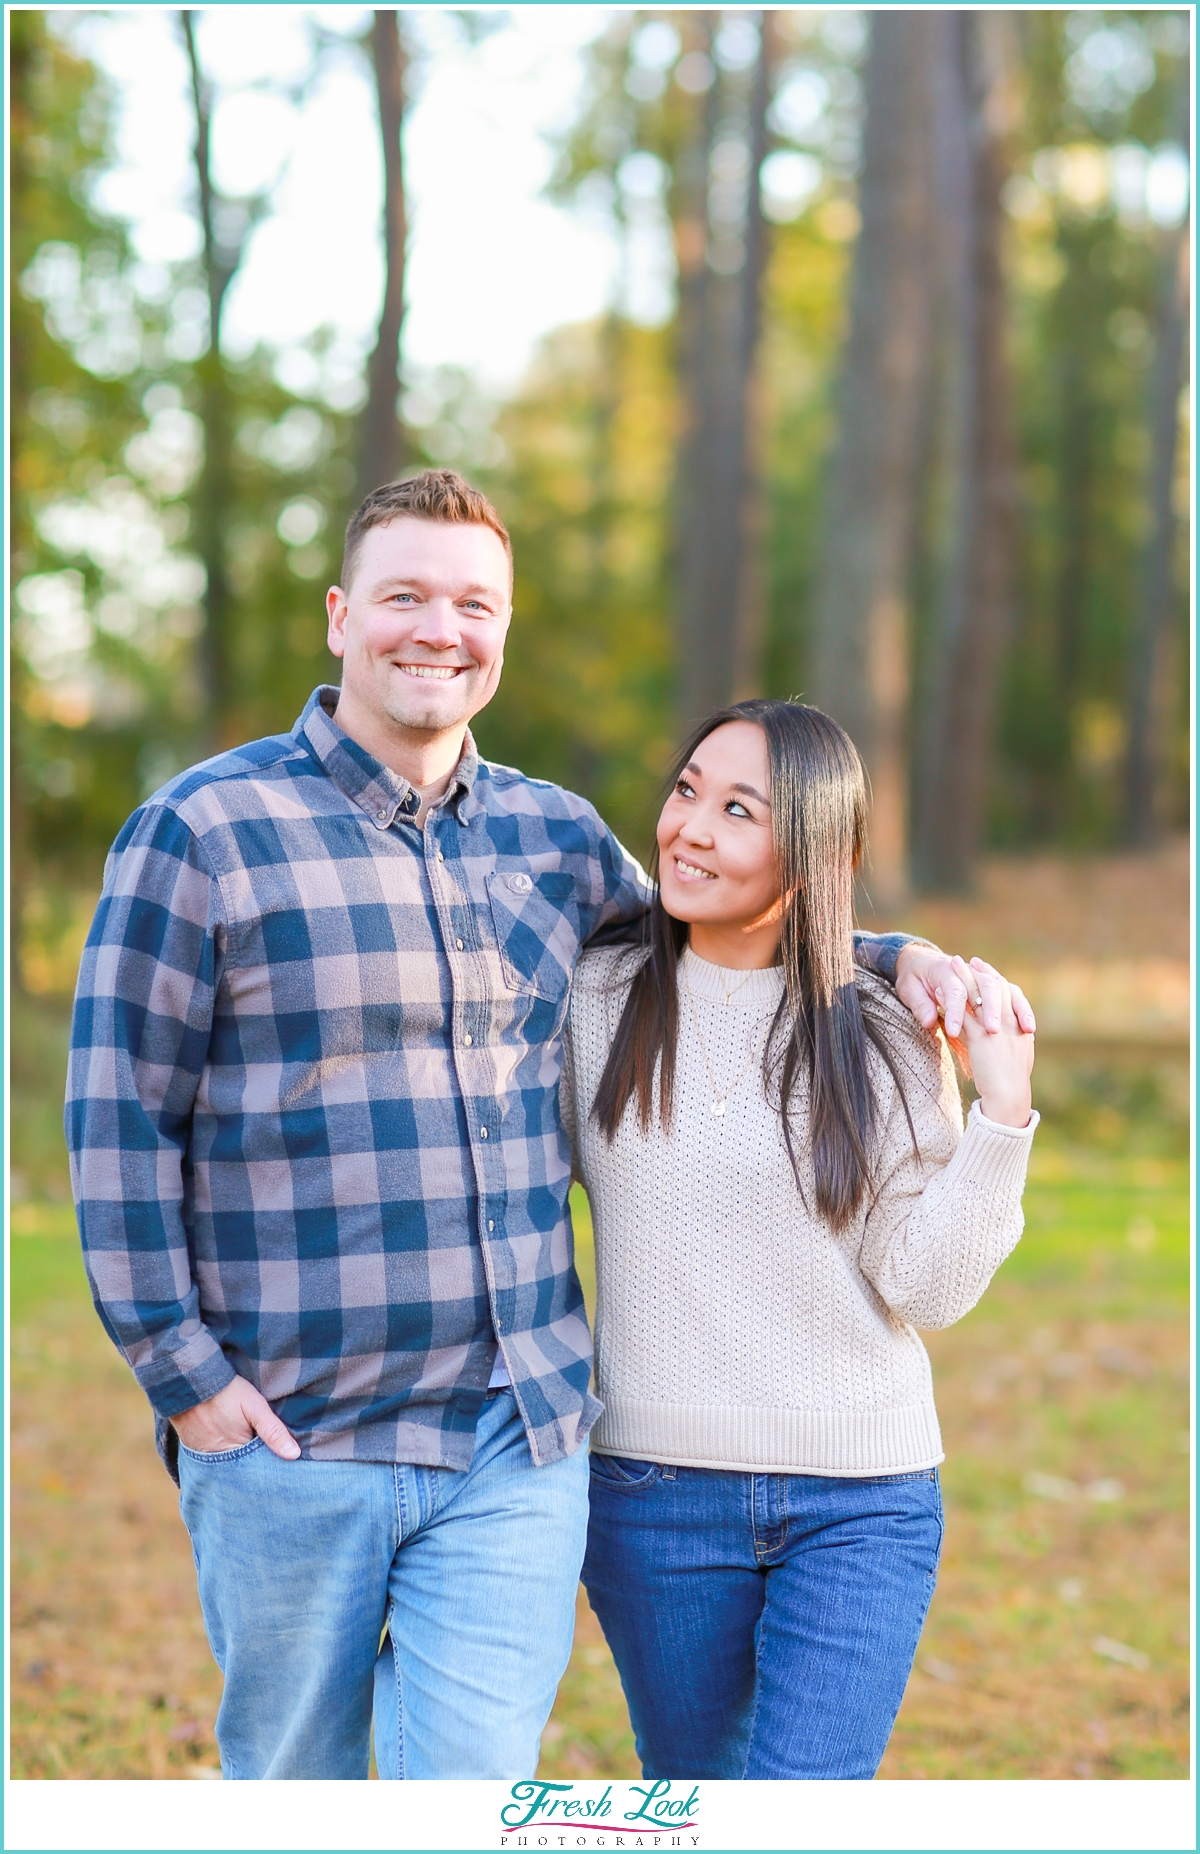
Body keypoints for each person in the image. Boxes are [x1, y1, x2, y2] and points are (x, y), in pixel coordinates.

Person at [66, 469, 1022, 1782]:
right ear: (342, 614)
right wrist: (185, 1375)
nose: (438, 629)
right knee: (293, 1786)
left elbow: (733, 932)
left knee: (471, 1788)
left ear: (501, 631)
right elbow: (117, 1121)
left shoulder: (553, 837)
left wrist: (891, 954)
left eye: (474, 603)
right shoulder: (202, 833)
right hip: (294, 1436)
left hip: (515, 1442)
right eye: (404, 594)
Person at [561, 699, 1038, 1781]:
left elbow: (925, 1286)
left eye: (739, 810)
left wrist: (1001, 1122)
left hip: (861, 1500)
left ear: (819, 851)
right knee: (696, 1804)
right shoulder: (597, 1000)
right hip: (653, 1498)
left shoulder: (886, 1031)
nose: (689, 827)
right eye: (687, 790)